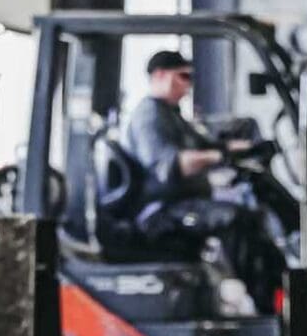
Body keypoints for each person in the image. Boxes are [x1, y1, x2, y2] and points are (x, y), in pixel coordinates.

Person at [115, 49, 288, 306]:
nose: (188, 85)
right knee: (235, 219)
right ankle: (267, 306)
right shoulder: (149, 117)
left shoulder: (171, 114)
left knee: (253, 213)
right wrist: (219, 157)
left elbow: (208, 144)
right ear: (160, 75)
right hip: (163, 212)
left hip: (183, 202)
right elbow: (174, 166)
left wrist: (254, 148)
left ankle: (280, 290)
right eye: (183, 76)